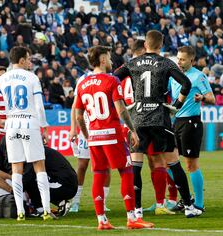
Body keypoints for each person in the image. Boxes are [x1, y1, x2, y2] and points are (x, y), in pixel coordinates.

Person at [114, 30, 202, 218]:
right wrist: (176, 106)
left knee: (136, 165)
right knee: (174, 162)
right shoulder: (165, 63)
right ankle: (188, 206)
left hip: (137, 120)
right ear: (161, 46)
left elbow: (113, 80)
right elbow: (185, 84)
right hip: (160, 118)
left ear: (145, 44)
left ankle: (136, 210)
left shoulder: (133, 63)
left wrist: (124, 104)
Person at [75, 45, 153, 230]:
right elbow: (121, 109)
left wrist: (87, 136)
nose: (111, 61)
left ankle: (102, 220)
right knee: (126, 172)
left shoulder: (82, 83)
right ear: (102, 59)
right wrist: (132, 130)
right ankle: (132, 218)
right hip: (112, 135)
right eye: (109, 57)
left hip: (94, 138)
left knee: (99, 175)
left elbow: (79, 116)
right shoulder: (112, 80)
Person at [0, 46, 55, 221]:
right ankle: (46, 210)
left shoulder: (3, 78)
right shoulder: (31, 77)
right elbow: (39, 106)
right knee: (39, 166)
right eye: (28, 59)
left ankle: (20, 212)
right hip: (29, 121)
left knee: (16, 169)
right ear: (21, 60)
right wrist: (44, 128)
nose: (30, 62)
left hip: (12, 123)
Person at [120, 39, 175, 215]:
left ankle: (136, 207)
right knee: (158, 161)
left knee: (134, 164)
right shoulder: (153, 67)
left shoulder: (126, 69)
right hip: (151, 118)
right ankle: (161, 203)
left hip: (131, 122)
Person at [170, 46, 216, 211]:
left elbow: (212, 99)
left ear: (192, 60)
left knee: (191, 165)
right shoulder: (174, 75)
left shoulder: (198, 76)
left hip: (191, 122)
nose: (179, 62)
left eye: (182, 59)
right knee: (169, 162)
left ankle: (199, 204)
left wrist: (202, 97)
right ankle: (186, 198)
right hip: (175, 122)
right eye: (178, 58)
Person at [0, 135, 77, 217]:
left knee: (33, 181)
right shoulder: (34, 149)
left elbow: (28, 177)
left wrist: (13, 191)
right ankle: (59, 202)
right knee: (32, 180)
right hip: (65, 183)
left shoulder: (34, 154)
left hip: (65, 185)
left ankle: (39, 209)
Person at [69, 70, 111, 214]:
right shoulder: (84, 78)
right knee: (82, 164)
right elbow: (75, 106)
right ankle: (75, 201)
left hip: (105, 127)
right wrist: (73, 128)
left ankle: (103, 202)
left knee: (105, 165)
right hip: (86, 126)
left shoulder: (111, 77)